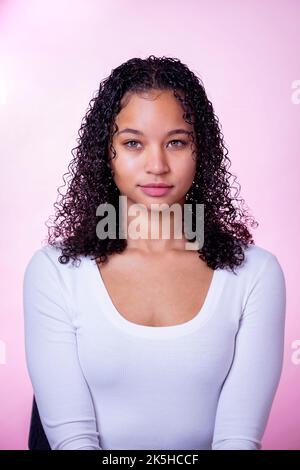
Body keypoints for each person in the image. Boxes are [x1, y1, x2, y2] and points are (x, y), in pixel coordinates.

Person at [23, 55, 286, 450]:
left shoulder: (256, 273)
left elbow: (238, 440)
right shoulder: (55, 271)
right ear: (105, 154)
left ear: (201, 152)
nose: (157, 165)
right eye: (133, 143)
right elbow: (72, 440)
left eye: (176, 142)